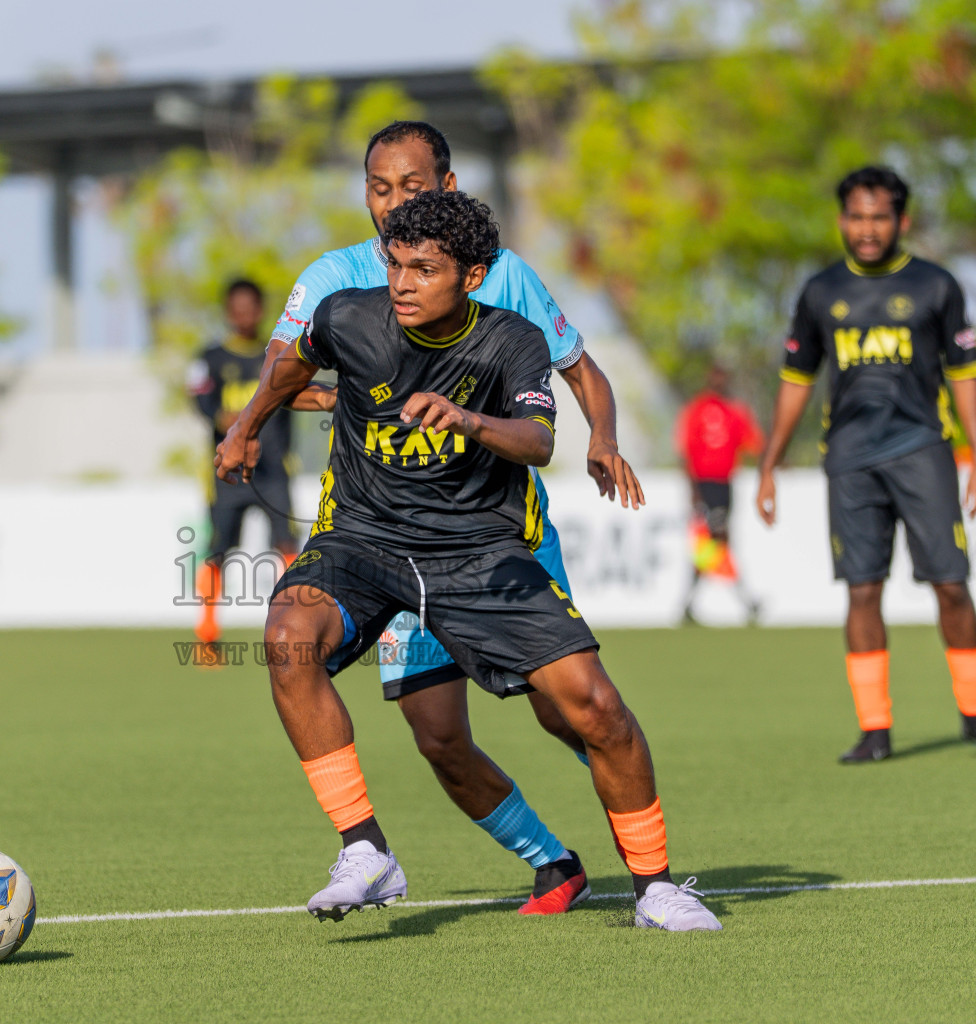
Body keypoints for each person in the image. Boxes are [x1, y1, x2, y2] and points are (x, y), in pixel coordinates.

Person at [219, 189, 720, 931]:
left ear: (473, 275)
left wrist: (467, 418)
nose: (402, 283)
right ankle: (366, 850)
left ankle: (656, 889)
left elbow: (539, 443)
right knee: (291, 636)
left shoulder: (511, 340)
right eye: (395, 265)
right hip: (363, 539)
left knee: (595, 708)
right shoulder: (347, 315)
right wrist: (249, 425)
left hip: (477, 553)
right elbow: (291, 366)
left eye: (423, 269)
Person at [261, 121, 644, 915]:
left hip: (501, 541)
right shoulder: (336, 280)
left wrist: (602, 438)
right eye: (377, 186)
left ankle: (646, 845)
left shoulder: (504, 278)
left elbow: (580, 370)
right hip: (385, 539)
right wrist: (359, 396)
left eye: (410, 185)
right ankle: (554, 863)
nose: (392, 201)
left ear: (448, 184)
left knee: (564, 709)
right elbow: (284, 377)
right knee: (437, 734)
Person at [755, 166, 976, 763]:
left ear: (902, 221)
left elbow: (966, 377)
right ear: (841, 221)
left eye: (880, 217)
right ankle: (875, 731)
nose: (868, 229)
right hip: (849, 461)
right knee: (861, 591)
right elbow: (797, 382)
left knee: (952, 586)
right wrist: (769, 465)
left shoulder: (937, 286)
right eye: (857, 217)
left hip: (922, 450)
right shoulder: (820, 292)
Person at [187, 279, 297, 646]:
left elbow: (296, 404)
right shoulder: (210, 358)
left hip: (273, 473)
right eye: (238, 307)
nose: (244, 314)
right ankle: (206, 635)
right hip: (227, 474)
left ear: (261, 310)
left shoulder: (281, 355)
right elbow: (201, 403)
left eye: (251, 307)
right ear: (228, 312)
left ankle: (298, 628)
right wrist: (222, 417)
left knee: (288, 547)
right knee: (218, 551)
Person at [677, 363, 764, 624]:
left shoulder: (734, 412)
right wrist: (693, 490)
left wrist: (775, 459)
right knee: (716, 537)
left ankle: (690, 603)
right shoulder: (697, 409)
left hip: (725, 485)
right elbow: (686, 450)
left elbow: (753, 442)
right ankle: (744, 599)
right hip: (704, 485)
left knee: (715, 542)